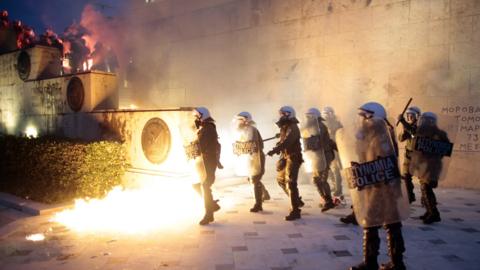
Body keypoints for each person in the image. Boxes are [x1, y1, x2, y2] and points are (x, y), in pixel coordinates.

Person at [337, 102, 408, 270]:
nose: (360, 120)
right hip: (383, 187)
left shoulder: (381, 137)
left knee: (372, 222)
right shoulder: (376, 134)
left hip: (381, 188)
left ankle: (371, 263)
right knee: (392, 224)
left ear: (372, 117)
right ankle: (397, 264)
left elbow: (380, 163)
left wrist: (364, 170)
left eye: (363, 116)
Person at [410, 112, 450, 224]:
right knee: (424, 188)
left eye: (426, 120)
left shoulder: (439, 134)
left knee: (426, 188)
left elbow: (444, 149)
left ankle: (434, 213)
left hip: (432, 166)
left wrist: (432, 156)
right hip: (424, 165)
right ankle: (430, 211)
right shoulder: (421, 132)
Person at [267, 106, 304, 221]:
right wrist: (277, 146)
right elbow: (283, 140)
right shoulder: (286, 126)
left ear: (289, 114)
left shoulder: (293, 127)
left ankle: (295, 211)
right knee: (280, 179)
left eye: (283, 114)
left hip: (293, 157)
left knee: (291, 183)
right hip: (286, 156)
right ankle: (297, 201)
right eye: (280, 114)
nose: (281, 116)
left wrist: (275, 150)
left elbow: (288, 141)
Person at [232, 111, 270, 213]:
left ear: (245, 120)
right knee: (252, 179)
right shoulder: (239, 131)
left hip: (256, 158)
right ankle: (265, 194)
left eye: (240, 119)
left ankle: (258, 205)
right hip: (248, 158)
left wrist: (251, 146)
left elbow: (260, 145)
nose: (238, 122)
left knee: (255, 179)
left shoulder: (253, 130)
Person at [301, 108, 335, 212]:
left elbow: (315, 141)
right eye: (306, 116)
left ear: (315, 116)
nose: (307, 118)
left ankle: (329, 201)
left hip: (324, 156)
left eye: (309, 116)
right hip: (316, 156)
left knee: (322, 180)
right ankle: (326, 199)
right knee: (316, 180)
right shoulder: (310, 126)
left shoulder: (320, 126)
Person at [192, 107, 222, 225]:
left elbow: (201, 145)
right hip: (203, 162)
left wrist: (193, 147)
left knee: (205, 186)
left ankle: (209, 215)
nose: (196, 118)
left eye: (197, 116)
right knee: (196, 185)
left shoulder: (208, 128)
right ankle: (212, 205)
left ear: (202, 116)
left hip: (209, 161)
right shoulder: (204, 128)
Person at [397, 106, 421, 203]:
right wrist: (404, 128)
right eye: (408, 115)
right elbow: (401, 139)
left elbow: (414, 133)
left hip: (419, 156)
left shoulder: (420, 126)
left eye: (412, 115)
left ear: (417, 116)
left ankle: (427, 201)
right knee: (405, 176)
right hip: (408, 155)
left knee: (424, 182)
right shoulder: (408, 126)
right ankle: (409, 196)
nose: (410, 117)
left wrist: (403, 122)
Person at [322, 106, 344, 198]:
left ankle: (338, 189)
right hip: (325, 150)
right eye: (326, 114)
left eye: (329, 113)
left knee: (335, 169)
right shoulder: (321, 124)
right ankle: (335, 186)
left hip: (334, 149)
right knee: (329, 169)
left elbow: (341, 134)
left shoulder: (337, 123)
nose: (327, 116)